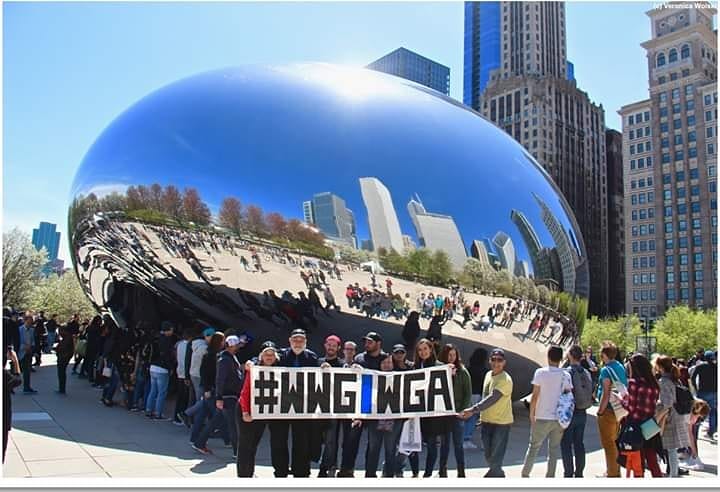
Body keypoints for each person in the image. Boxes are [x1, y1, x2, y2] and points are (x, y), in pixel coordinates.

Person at [338, 332, 387, 478]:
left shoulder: (385, 358)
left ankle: (370, 472)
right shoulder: (359, 358)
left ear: (378, 344)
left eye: (370, 342)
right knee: (351, 440)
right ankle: (347, 469)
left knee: (373, 444)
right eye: (365, 342)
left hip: (376, 407)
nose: (366, 344)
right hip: (359, 406)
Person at [459, 348, 514, 477]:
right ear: (489, 360)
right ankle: (498, 474)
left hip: (501, 424)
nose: (496, 363)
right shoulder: (488, 374)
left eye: (499, 360)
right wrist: (480, 416)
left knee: (496, 457)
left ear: (504, 362)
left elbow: (493, 398)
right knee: (488, 455)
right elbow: (485, 395)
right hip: (486, 422)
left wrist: (473, 410)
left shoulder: (505, 380)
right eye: (493, 359)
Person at [273, 329, 319, 478]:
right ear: (289, 341)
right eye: (295, 340)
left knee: (301, 441)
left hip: (302, 407)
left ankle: (301, 472)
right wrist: (252, 362)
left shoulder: (312, 357)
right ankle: (280, 471)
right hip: (282, 406)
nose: (298, 343)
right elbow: (263, 358)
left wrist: (325, 366)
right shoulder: (280, 355)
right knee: (279, 440)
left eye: (301, 340)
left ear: (305, 342)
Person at [521, 345, 571, 478]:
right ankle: (550, 477)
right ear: (561, 359)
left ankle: (525, 474)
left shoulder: (540, 373)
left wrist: (532, 414)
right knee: (554, 450)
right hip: (559, 418)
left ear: (548, 356)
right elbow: (568, 397)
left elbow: (535, 395)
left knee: (533, 447)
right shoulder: (566, 375)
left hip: (542, 415)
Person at [195, 335, 244, 458]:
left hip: (228, 395)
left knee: (216, 421)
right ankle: (237, 452)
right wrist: (219, 397)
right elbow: (220, 379)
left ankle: (199, 442)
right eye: (237, 344)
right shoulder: (225, 360)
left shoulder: (229, 358)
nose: (239, 347)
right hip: (228, 396)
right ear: (232, 346)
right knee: (233, 424)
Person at [237, 343, 282, 477]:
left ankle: (249, 473)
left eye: (272, 355)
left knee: (253, 445)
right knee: (245, 446)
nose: (269, 357)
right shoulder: (254, 369)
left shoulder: (278, 371)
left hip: (261, 413)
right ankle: (244, 475)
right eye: (266, 354)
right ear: (261, 356)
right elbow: (245, 392)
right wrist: (245, 412)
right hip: (246, 410)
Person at [618, 353, 662, 477]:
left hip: (636, 423)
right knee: (652, 458)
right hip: (650, 423)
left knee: (638, 460)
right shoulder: (654, 384)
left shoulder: (634, 383)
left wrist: (622, 399)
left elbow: (631, 407)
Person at [412, 338, 447, 477]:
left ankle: (427, 473)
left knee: (432, 445)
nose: (423, 352)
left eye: (425, 349)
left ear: (431, 349)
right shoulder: (415, 366)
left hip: (433, 414)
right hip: (417, 412)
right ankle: (415, 472)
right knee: (412, 443)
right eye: (420, 350)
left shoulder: (440, 366)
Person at [654, 355, 691, 477]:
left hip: (668, 418)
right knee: (672, 449)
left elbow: (667, 404)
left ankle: (673, 476)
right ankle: (673, 474)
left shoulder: (663, 381)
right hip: (677, 415)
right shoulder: (675, 379)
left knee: (670, 449)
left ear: (660, 366)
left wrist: (658, 418)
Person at [437, 344, 471, 477]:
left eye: (453, 355)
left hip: (457, 413)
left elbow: (467, 393)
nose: (451, 358)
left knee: (458, 444)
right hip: (444, 413)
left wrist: (461, 410)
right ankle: (442, 470)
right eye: (449, 355)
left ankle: (461, 471)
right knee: (444, 444)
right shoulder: (439, 369)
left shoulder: (462, 371)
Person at [560, 345, 593, 478]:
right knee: (579, 443)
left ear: (571, 355)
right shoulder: (586, 372)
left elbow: (563, 392)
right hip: (582, 411)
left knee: (566, 443)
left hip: (570, 412)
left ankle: (568, 473)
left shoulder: (567, 372)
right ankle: (579, 473)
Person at [595, 341, 627, 477]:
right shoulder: (619, 366)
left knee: (608, 443)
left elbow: (606, 393)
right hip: (619, 409)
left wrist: (600, 411)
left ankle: (613, 473)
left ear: (604, 354)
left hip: (608, 409)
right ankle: (614, 469)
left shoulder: (605, 370)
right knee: (614, 440)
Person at [191, 332, 226, 452]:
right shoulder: (211, 355)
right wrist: (206, 389)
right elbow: (205, 373)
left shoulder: (212, 354)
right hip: (210, 389)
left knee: (203, 414)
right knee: (217, 416)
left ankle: (195, 438)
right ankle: (199, 441)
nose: (224, 343)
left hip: (209, 388)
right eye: (222, 340)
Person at [144, 321, 176, 419]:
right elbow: (167, 356)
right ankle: (158, 413)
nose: (172, 332)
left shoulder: (155, 338)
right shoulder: (167, 340)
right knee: (162, 392)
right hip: (162, 369)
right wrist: (171, 367)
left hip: (152, 367)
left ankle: (148, 409)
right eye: (171, 330)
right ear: (168, 330)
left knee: (153, 390)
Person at [464, 348, 488, 450]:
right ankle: (466, 439)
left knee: (467, 417)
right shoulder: (484, 371)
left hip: (468, 394)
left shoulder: (469, 368)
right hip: (477, 395)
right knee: (472, 417)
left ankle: (464, 437)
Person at [689, 350, 716, 440]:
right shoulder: (716, 367)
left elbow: (692, 378)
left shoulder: (700, 366)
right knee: (713, 411)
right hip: (714, 392)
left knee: (698, 411)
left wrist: (695, 388)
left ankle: (695, 430)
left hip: (702, 391)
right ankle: (711, 431)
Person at [683, 399, 710, 471]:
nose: (699, 418)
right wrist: (695, 454)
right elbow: (690, 435)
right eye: (699, 415)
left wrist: (695, 455)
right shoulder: (688, 413)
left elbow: (690, 434)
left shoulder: (694, 408)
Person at [54, 324, 75, 395]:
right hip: (63, 356)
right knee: (61, 372)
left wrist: (57, 348)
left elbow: (63, 348)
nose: (59, 333)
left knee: (61, 372)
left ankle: (62, 388)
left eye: (60, 331)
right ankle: (61, 388)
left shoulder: (67, 338)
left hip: (63, 357)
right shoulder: (66, 338)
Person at [18, 315, 36, 394]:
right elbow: (17, 341)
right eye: (28, 322)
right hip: (22, 352)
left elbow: (33, 340)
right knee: (20, 371)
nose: (30, 324)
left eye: (31, 322)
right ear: (25, 321)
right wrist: (24, 347)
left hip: (29, 352)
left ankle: (27, 387)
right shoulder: (20, 330)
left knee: (27, 370)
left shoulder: (32, 330)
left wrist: (31, 347)